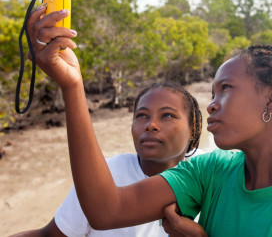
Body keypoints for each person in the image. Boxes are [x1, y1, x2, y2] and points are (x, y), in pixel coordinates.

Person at [26, 6, 272, 236]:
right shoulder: (212, 172)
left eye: (226, 90)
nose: (212, 106)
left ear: (271, 99)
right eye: (212, 94)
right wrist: (72, 86)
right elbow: (105, 210)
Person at [11, 82, 203, 237]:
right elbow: (51, 235)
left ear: (193, 127)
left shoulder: (212, 174)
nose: (150, 125)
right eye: (141, 116)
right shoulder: (106, 174)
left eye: (167, 115)